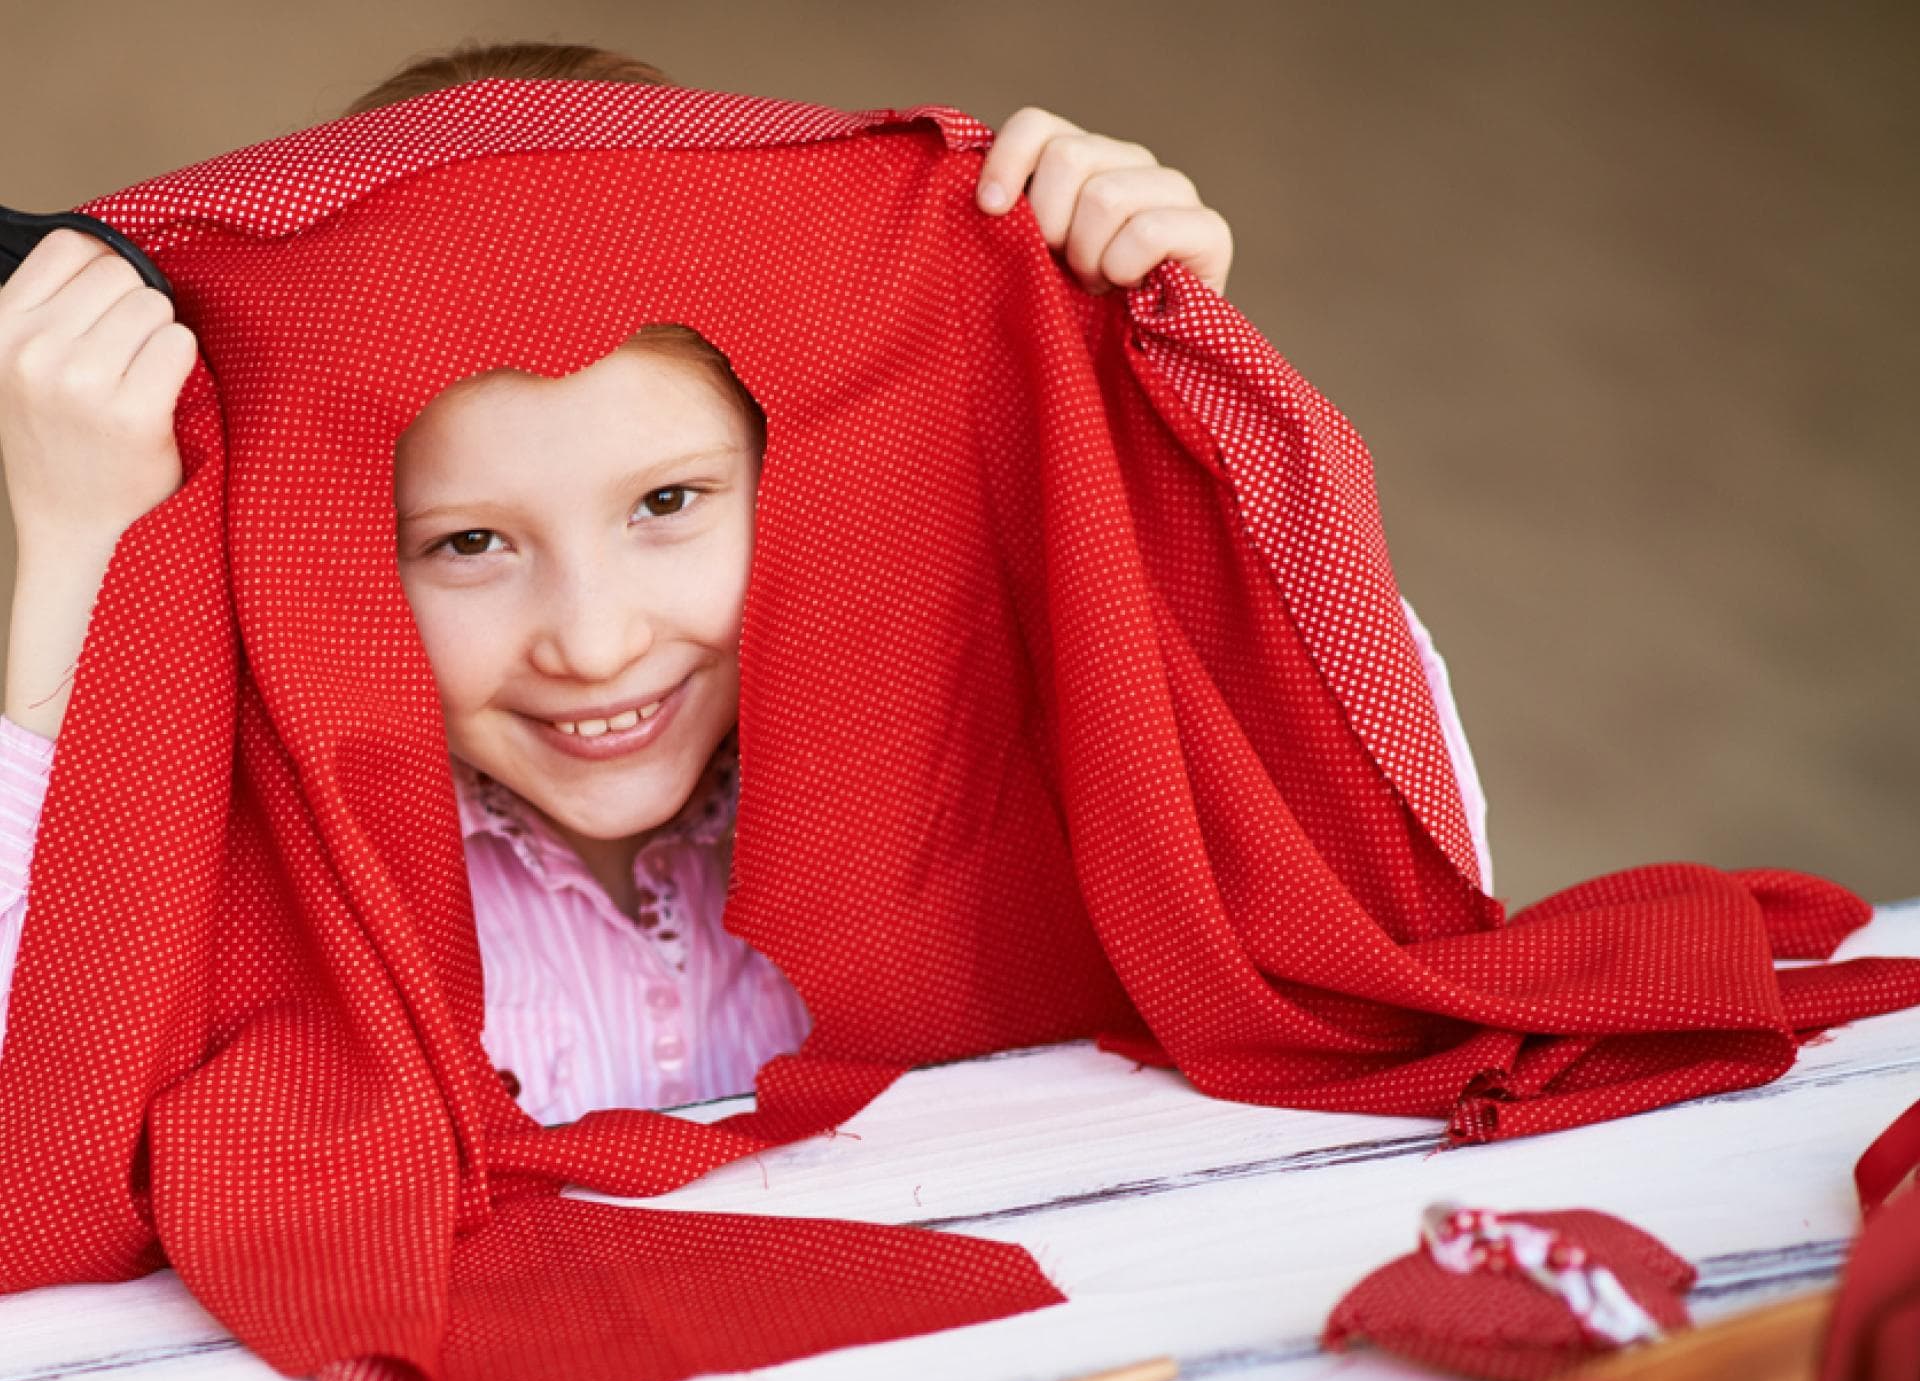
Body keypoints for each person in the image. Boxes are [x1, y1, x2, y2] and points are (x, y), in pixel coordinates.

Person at [0, 39, 1489, 1124]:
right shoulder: (268, 856)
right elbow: (41, 1119)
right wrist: (77, 543)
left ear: (812, 486)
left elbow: (1379, 909)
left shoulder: (989, 770)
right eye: (469, 543)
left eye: (668, 504)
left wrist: (1139, 422)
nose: (591, 641)